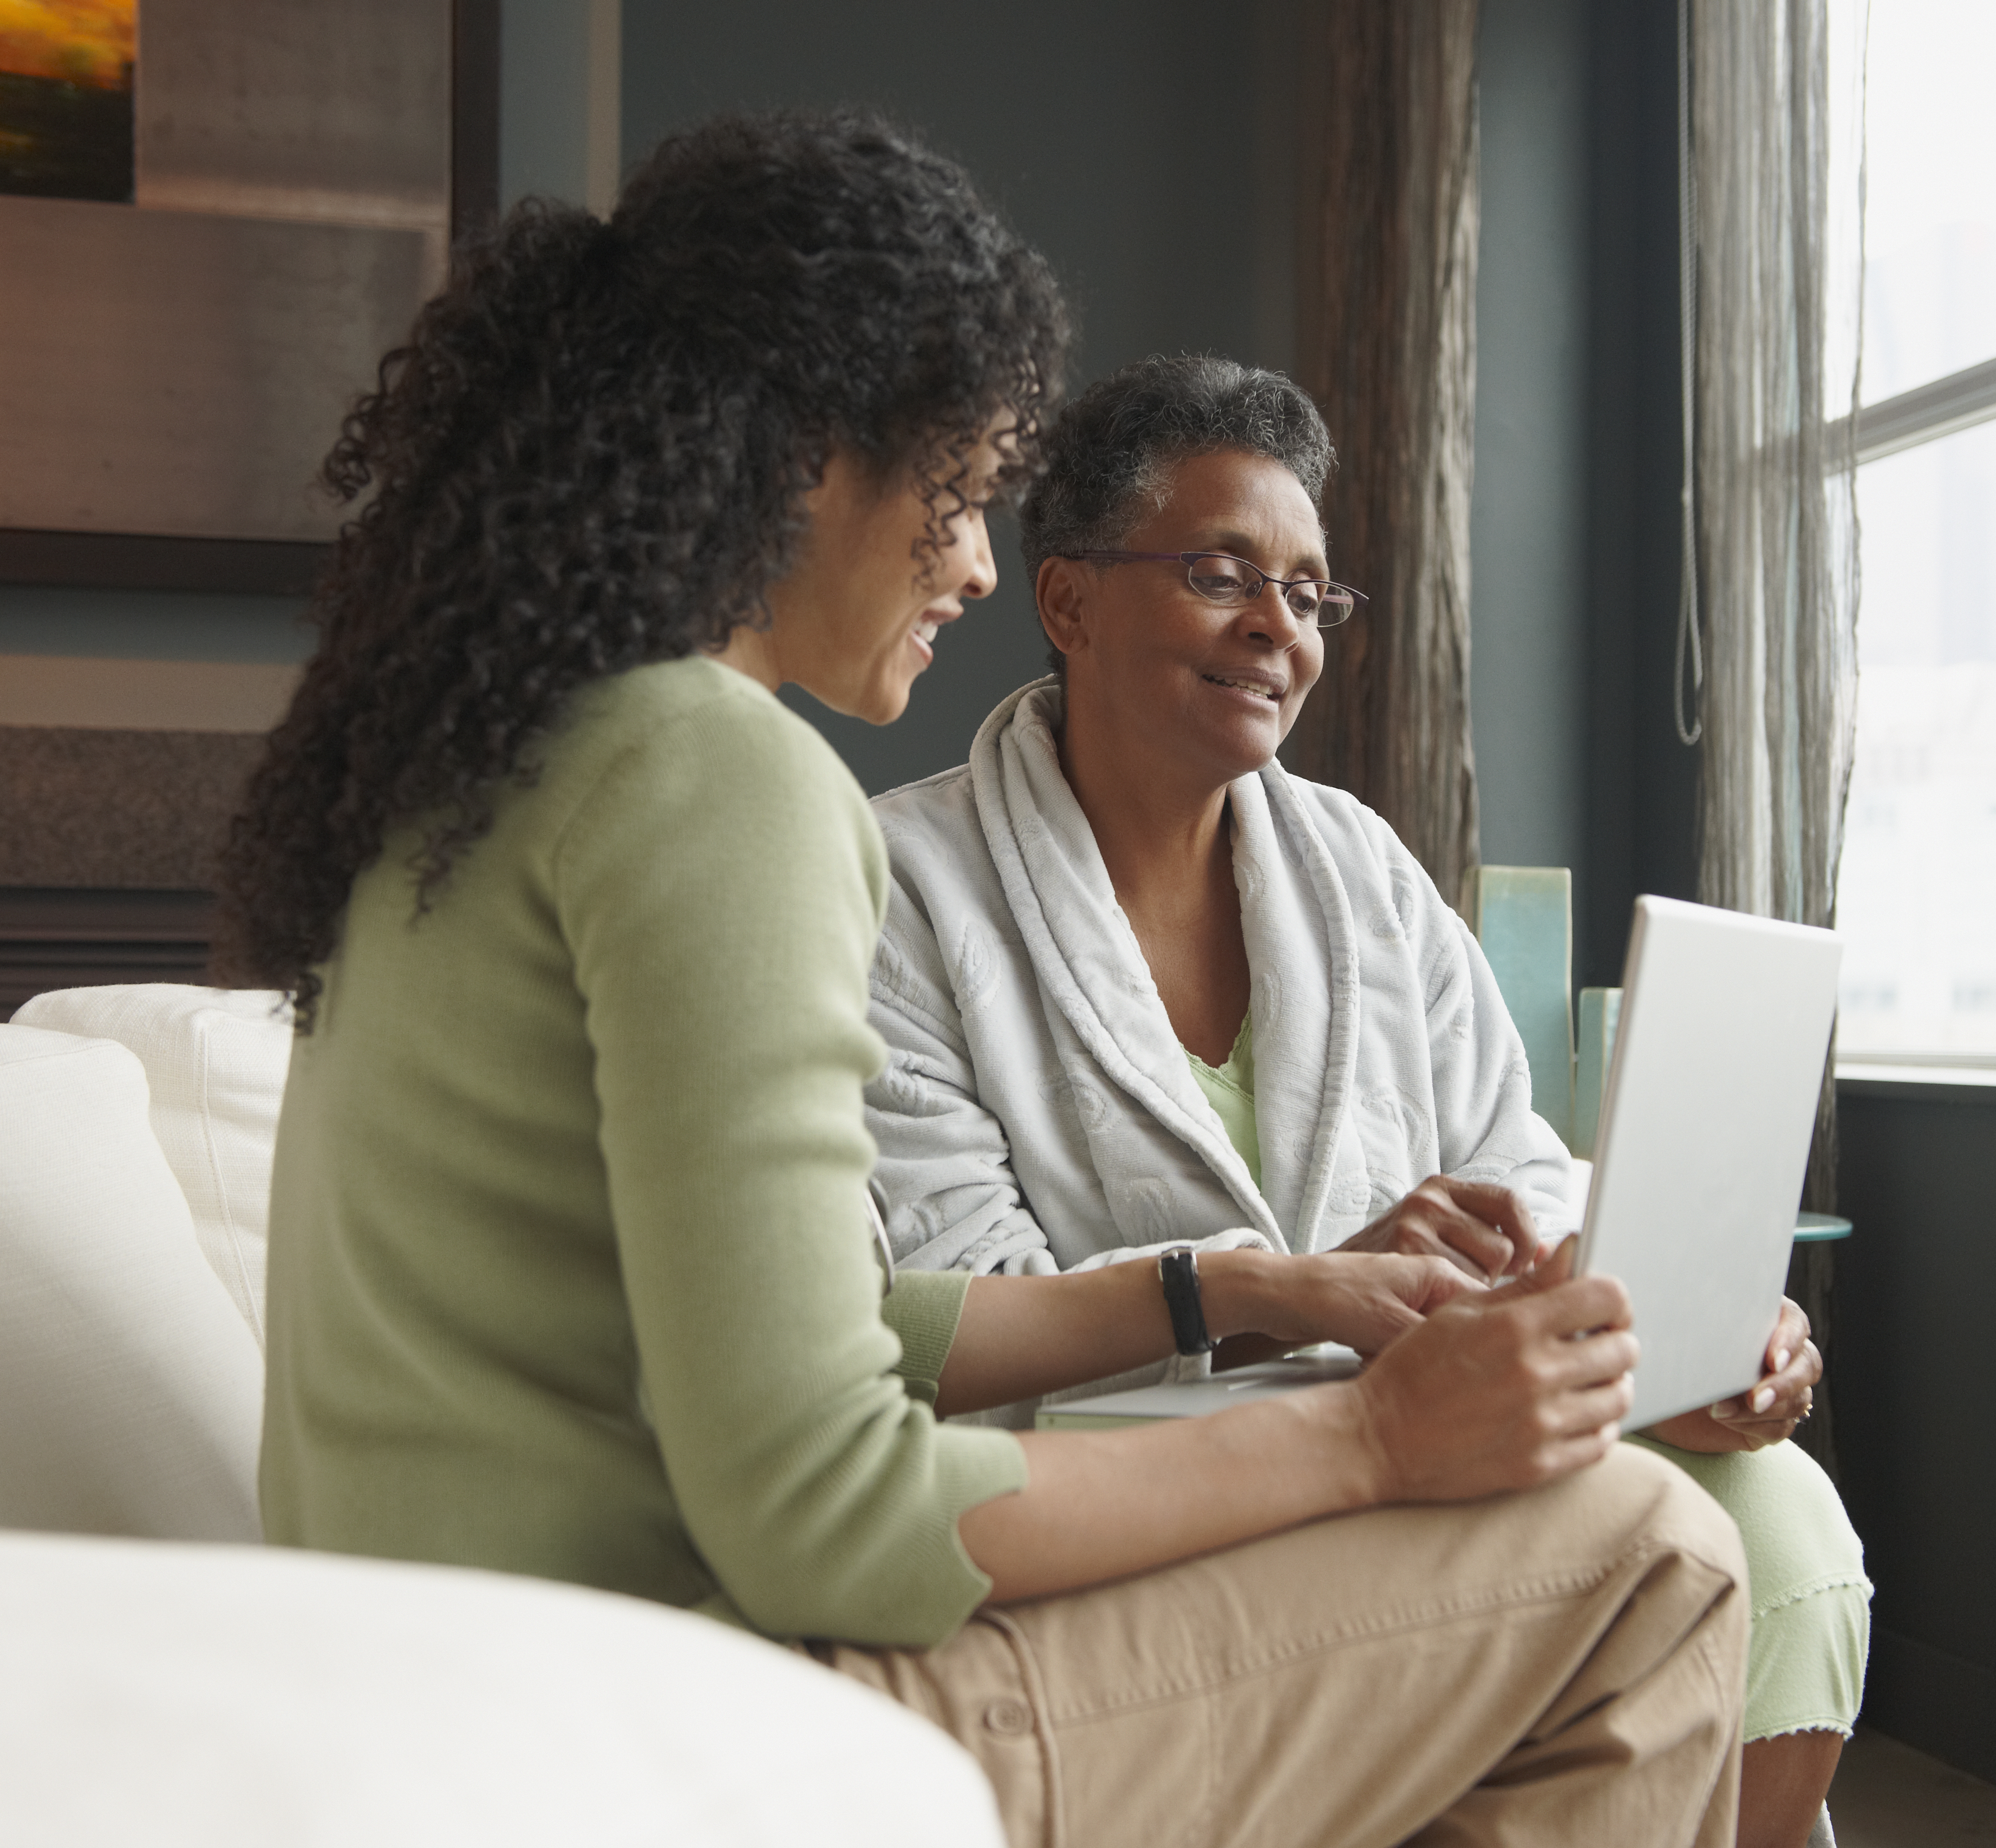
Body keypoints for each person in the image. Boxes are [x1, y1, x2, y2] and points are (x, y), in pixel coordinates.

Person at [223, 113, 1749, 1848]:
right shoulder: (724, 775)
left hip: (445, 1689)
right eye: (952, 495)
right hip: (663, 1726)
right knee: (1655, 1556)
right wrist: (1375, 1444)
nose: (971, 567)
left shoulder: (485, 761)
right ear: (801, 458)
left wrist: (1247, 1289)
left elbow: (794, 1343)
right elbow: (829, 1513)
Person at [863, 353, 1869, 1848]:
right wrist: (1304, 1297)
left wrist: (1679, 1332)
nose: (1279, 627)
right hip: (1136, 1462)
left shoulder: (1360, 874)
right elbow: (964, 1314)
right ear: (1068, 602)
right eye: (1221, 574)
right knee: (1637, 1546)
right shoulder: (901, 891)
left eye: (1312, 593)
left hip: (1424, 1410)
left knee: (1784, 1523)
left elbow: (1522, 1170)